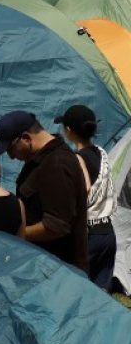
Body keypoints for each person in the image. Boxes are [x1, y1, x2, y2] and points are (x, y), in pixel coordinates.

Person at [0, 110, 88, 273]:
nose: (11, 157)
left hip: (60, 270)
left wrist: (15, 235)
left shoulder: (56, 165)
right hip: (45, 265)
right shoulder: (40, 161)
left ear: (26, 138)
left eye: (10, 149)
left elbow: (56, 225)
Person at [56, 104, 115, 289]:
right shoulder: (102, 153)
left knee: (76, 291)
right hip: (107, 233)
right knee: (100, 293)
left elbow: (84, 191)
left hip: (87, 237)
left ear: (69, 130)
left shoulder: (77, 159)